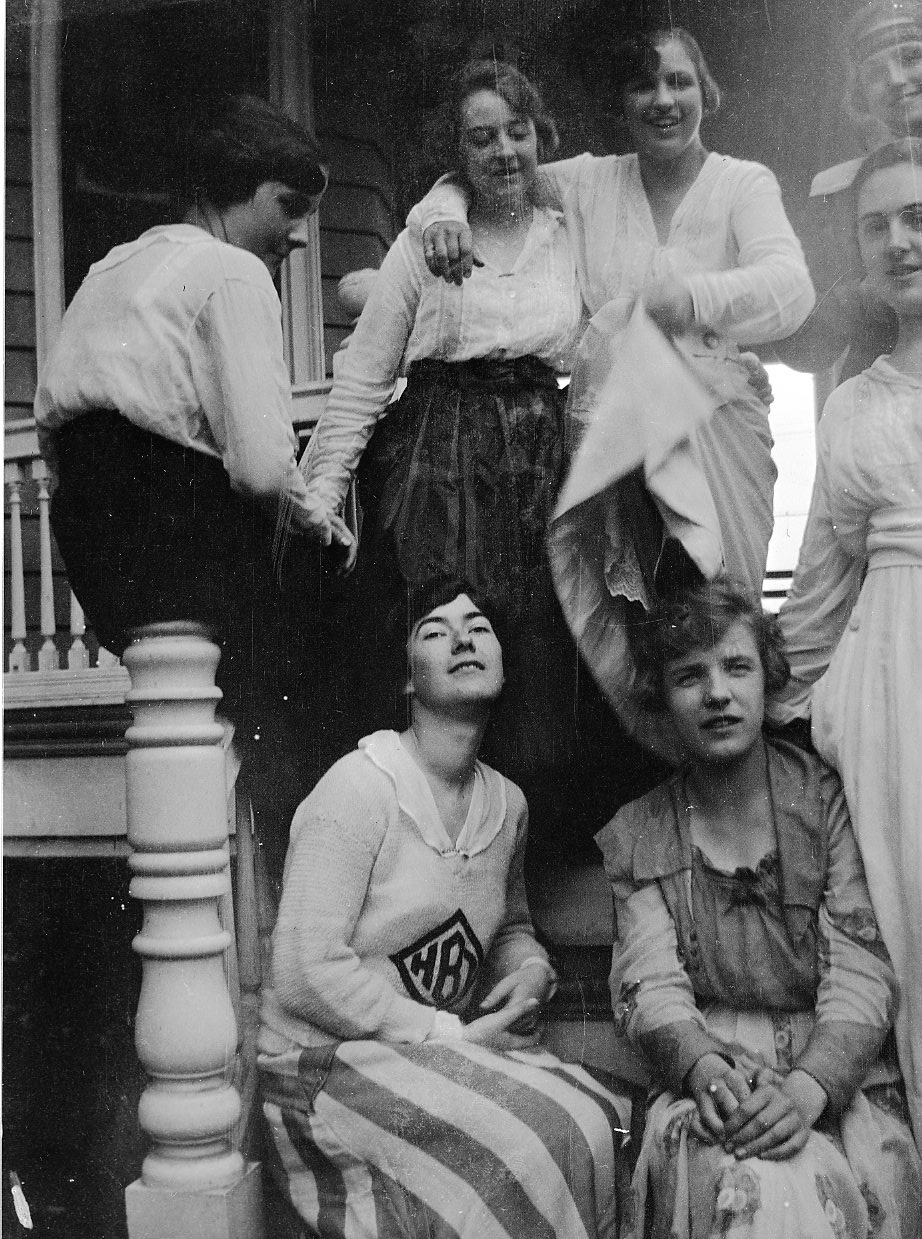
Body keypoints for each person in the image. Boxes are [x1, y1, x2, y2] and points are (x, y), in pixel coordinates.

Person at [416, 29, 814, 744]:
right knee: (638, 633)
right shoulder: (591, 182)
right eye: (643, 86)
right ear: (621, 102)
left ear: (706, 91)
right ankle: (661, 812)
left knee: (721, 615)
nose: (663, 100)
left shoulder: (740, 184)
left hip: (715, 426)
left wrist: (691, 298)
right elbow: (489, 170)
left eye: (679, 82)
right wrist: (444, 212)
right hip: (613, 439)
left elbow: (792, 288)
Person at [34, 93, 350, 878]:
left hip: (93, 549)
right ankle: (317, 874)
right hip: (173, 532)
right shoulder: (232, 271)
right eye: (287, 205)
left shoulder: (118, 261)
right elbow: (262, 467)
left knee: (275, 671)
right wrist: (321, 522)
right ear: (228, 189)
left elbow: (59, 420)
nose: (301, 233)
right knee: (334, 635)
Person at [258, 579, 626, 1239]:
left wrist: (533, 968)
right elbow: (303, 968)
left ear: (506, 665)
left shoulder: (507, 804)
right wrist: (447, 1033)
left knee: (601, 1116)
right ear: (406, 677)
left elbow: (508, 926)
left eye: (479, 628)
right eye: (435, 630)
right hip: (323, 1067)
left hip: (430, 1054)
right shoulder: (360, 787)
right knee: (528, 1142)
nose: (461, 637)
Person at [596, 580, 921, 1239]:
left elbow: (862, 963)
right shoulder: (641, 832)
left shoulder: (827, 800)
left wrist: (810, 1087)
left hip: (837, 1071)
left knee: (825, 1174)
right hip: (715, 1074)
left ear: (767, 679)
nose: (717, 692)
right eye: (690, 675)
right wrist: (701, 1065)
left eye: (737, 667)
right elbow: (648, 984)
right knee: (751, 1180)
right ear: (663, 697)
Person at [300, 59, 591, 796]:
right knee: (440, 647)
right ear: (457, 153)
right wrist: (322, 493)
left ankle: (526, 851)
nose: (503, 153)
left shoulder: (570, 234)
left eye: (517, 133)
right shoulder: (421, 244)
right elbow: (364, 375)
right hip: (439, 464)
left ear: (539, 135)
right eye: (481, 138)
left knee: (540, 653)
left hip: (541, 462)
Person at [771, 138, 922, 1146]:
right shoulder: (855, 401)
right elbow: (820, 590)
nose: (899, 243)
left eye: (917, 218)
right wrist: (781, 709)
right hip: (893, 697)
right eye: (877, 225)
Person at [773, 0, 922, 378]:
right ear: (861, 92)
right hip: (880, 403)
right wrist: (866, 300)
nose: (895, 79)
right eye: (874, 73)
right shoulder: (838, 192)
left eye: (911, 57)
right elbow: (802, 347)